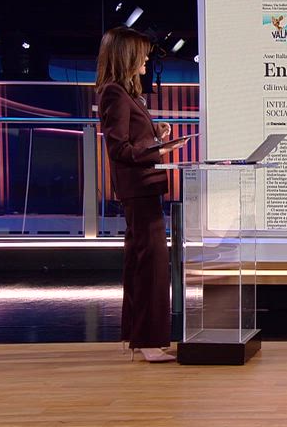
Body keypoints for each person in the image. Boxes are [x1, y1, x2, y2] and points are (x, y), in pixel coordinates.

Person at [97, 26, 187, 363]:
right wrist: (159, 150)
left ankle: (140, 339)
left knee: (143, 261)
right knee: (151, 264)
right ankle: (148, 341)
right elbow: (119, 148)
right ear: (127, 56)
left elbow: (132, 139)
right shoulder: (114, 94)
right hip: (138, 190)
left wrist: (155, 133)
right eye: (143, 56)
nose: (147, 61)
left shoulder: (125, 93)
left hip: (143, 190)